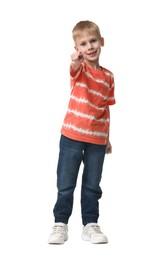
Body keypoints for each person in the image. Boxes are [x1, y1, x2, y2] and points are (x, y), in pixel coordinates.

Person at [48, 20, 116, 244]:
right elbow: (74, 68)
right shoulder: (80, 69)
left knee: (92, 185)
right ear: (77, 49)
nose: (90, 47)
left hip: (97, 139)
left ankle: (90, 224)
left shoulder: (108, 76)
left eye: (93, 41)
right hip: (72, 137)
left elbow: (106, 107)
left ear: (102, 42)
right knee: (66, 183)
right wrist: (75, 62)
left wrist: (107, 137)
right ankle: (60, 224)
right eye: (84, 44)